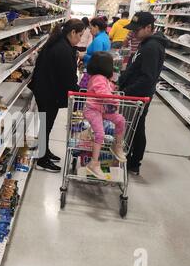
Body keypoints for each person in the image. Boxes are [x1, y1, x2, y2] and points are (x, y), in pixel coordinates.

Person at [28, 19, 85, 172]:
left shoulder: (59, 43)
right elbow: (67, 78)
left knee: (46, 124)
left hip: (45, 90)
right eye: (80, 35)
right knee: (47, 125)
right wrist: (80, 91)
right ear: (72, 32)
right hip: (48, 93)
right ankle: (42, 160)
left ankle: (44, 151)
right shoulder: (63, 49)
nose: (80, 39)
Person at [118, 11, 169, 175]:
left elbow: (147, 78)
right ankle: (131, 158)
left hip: (139, 96)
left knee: (137, 128)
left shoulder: (152, 47)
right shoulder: (145, 43)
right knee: (133, 127)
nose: (133, 33)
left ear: (149, 27)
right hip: (135, 94)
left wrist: (126, 91)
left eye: (136, 30)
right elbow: (135, 67)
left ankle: (134, 163)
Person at [84, 52, 127, 180]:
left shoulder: (103, 78)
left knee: (120, 120)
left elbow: (108, 89)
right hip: (92, 110)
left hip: (102, 109)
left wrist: (113, 85)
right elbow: (102, 93)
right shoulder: (97, 78)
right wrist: (115, 100)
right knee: (100, 133)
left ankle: (117, 145)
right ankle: (94, 163)